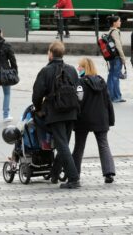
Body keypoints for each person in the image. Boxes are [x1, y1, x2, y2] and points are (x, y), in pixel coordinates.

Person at [32, 41, 80, 189]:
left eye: (48, 52)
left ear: (51, 54)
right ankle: (54, 173)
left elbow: (37, 94)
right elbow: (78, 90)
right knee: (63, 143)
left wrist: (38, 109)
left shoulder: (46, 71)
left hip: (55, 112)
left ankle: (73, 178)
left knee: (62, 145)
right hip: (71, 111)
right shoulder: (72, 70)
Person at [73, 57, 116, 184]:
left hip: (84, 119)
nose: (78, 68)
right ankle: (109, 173)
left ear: (85, 68)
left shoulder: (80, 83)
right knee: (103, 145)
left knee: (79, 146)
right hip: (101, 118)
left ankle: (75, 173)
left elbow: (78, 101)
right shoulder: (101, 81)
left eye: (80, 66)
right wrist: (110, 119)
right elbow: (108, 102)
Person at [106, 15, 126, 103]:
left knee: (111, 76)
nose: (120, 22)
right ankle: (117, 97)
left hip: (111, 57)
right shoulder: (115, 32)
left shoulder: (109, 31)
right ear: (114, 23)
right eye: (119, 21)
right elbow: (118, 46)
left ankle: (109, 96)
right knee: (115, 77)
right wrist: (123, 58)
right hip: (117, 57)